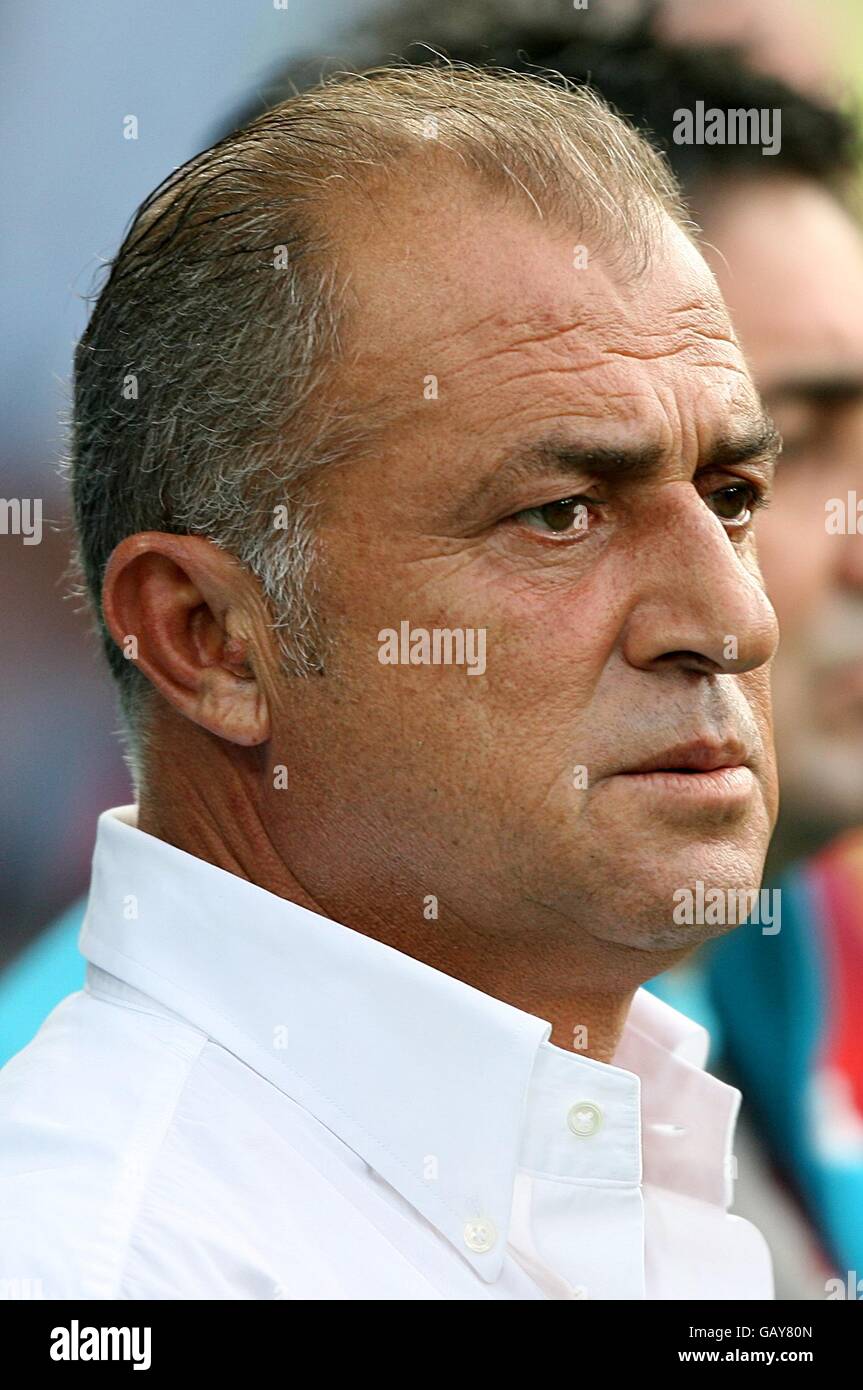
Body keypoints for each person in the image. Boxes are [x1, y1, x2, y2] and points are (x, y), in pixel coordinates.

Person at [0, 61, 780, 1299]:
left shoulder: (635, 1147)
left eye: (729, 497)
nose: (733, 619)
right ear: (208, 635)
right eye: (560, 513)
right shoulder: (105, 1265)